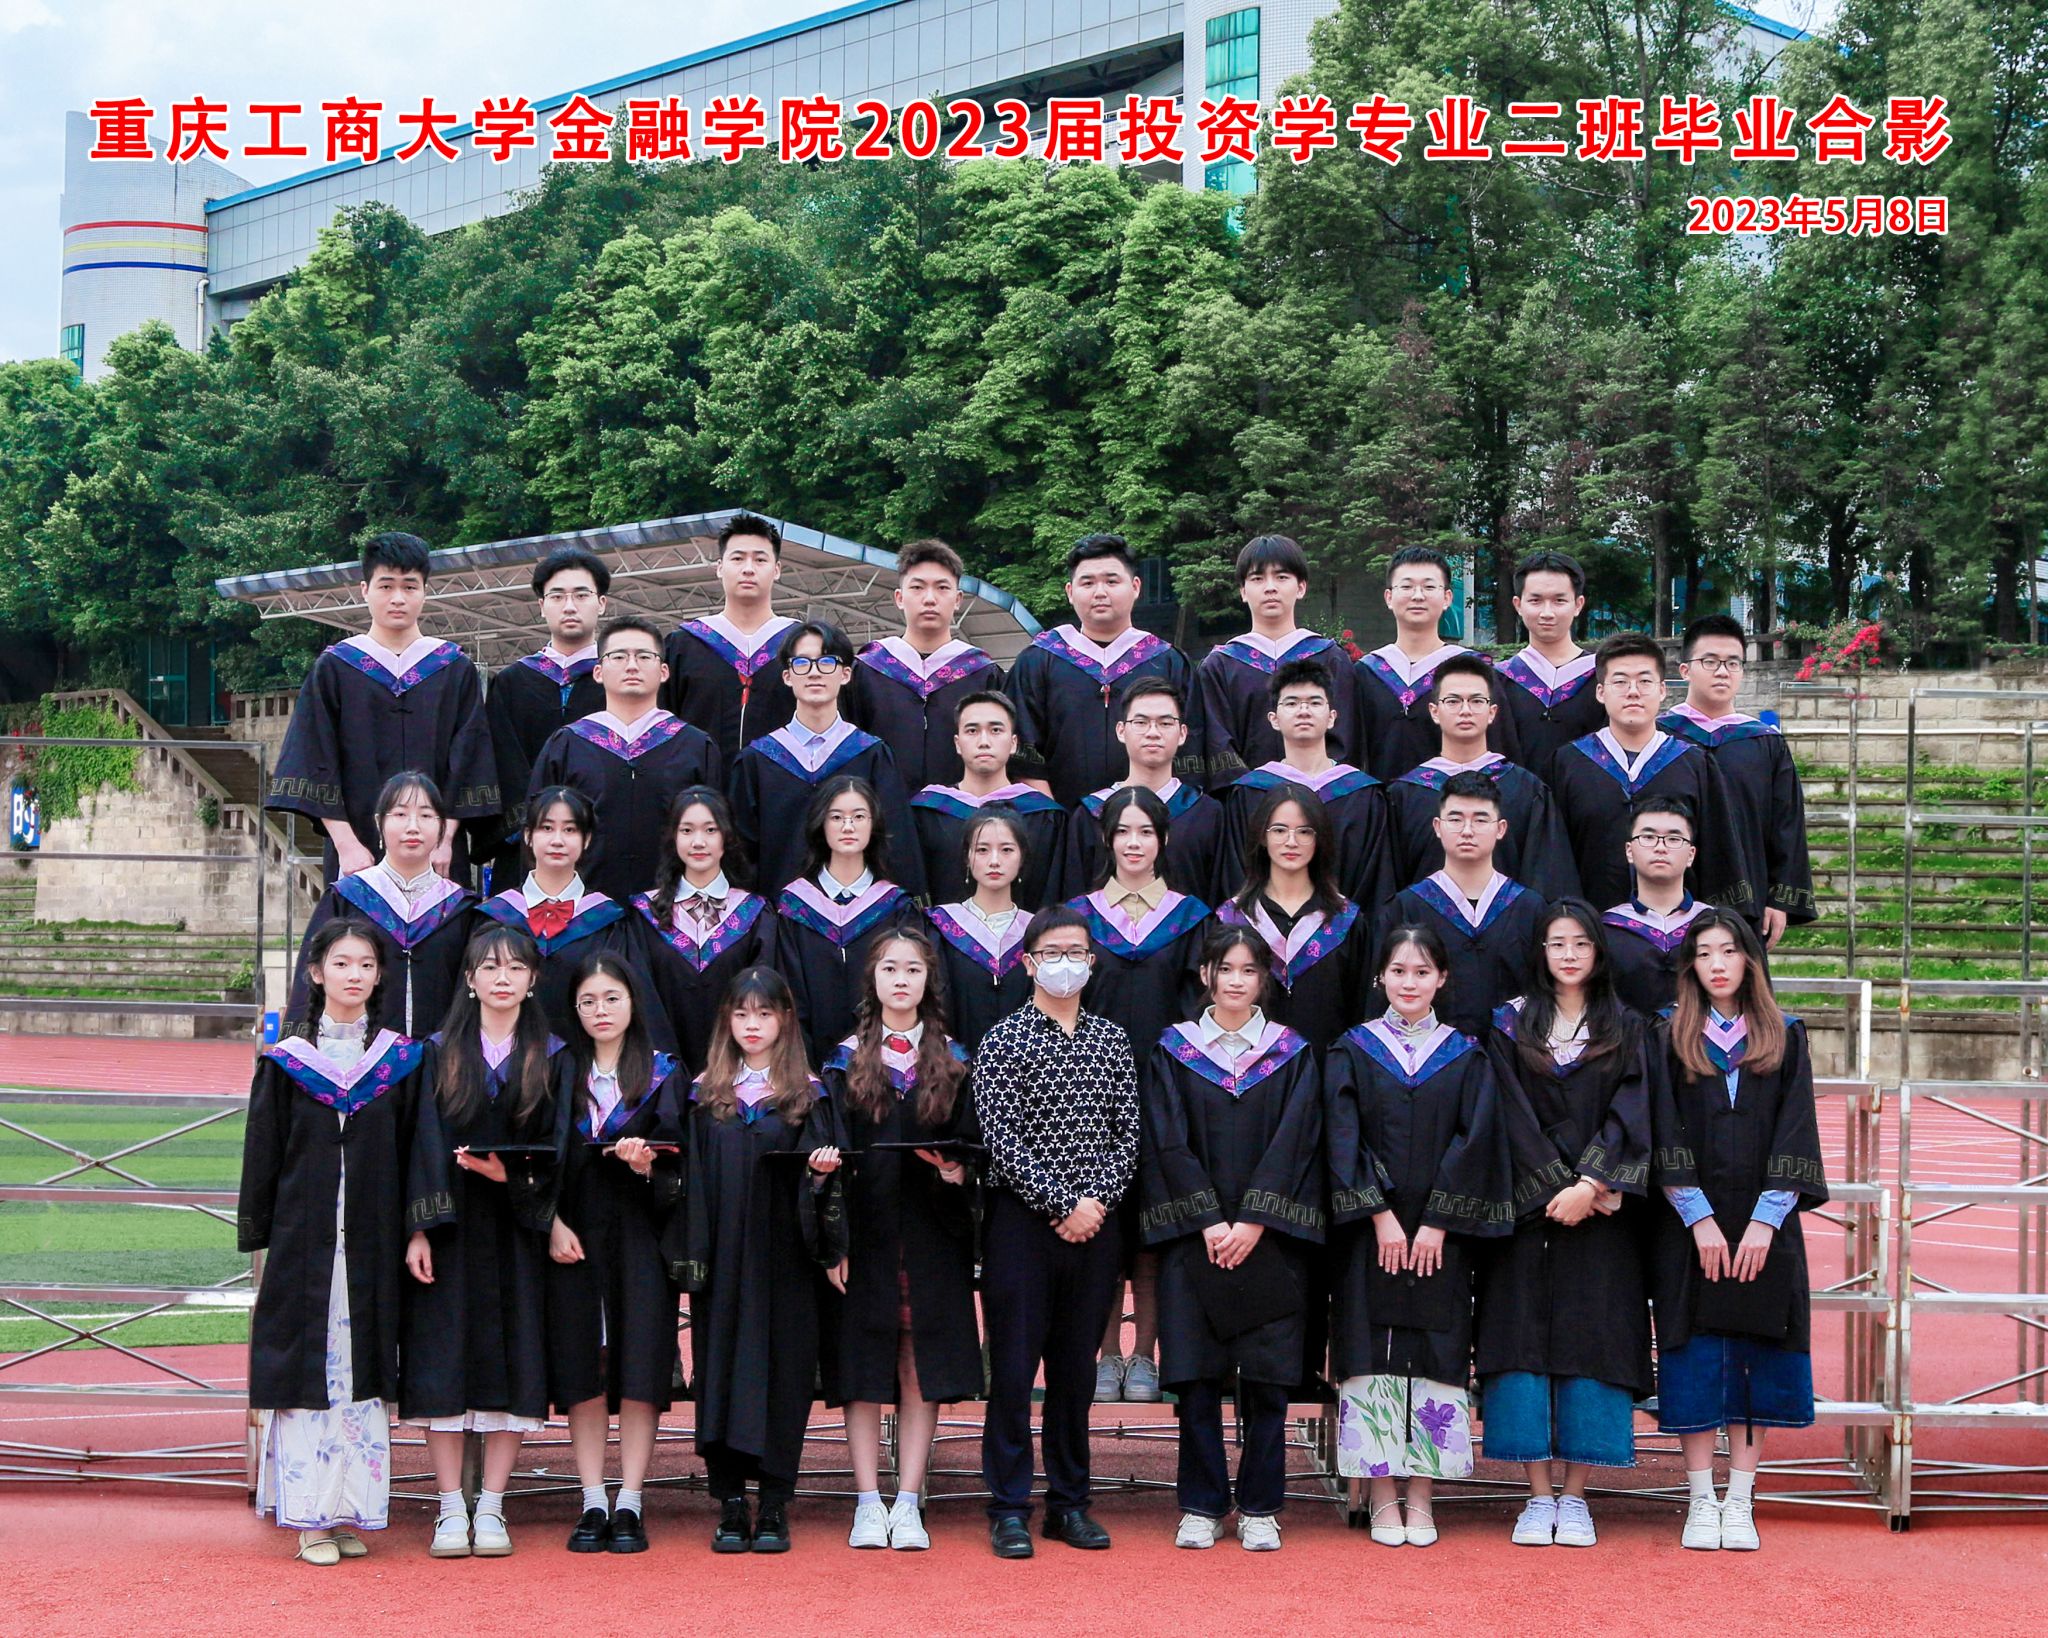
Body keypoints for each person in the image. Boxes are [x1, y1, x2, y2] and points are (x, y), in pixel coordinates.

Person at [241, 917, 428, 1565]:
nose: (355, 975)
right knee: (309, 1369)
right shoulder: (288, 1063)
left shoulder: (400, 1063)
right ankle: (310, 1518)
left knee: (361, 1372)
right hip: (306, 1240)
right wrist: (263, 1230)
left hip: (373, 1239)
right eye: (342, 963)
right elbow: (263, 1154)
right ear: (316, 973)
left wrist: (418, 1227)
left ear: (380, 977)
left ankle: (350, 1511)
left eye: (366, 965)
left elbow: (417, 1151)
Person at [1325, 924, 1512, 1548]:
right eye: (1399, 970)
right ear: (1381, 975)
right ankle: (1382, 1495)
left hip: (1442, 1235)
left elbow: (1475, 1138)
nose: (1410, 982)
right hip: (1368, 1231)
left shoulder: (1465, 1055)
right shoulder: (1352, 1050)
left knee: (1438, 1349)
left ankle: (1424, 1496)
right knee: (1369, 1350)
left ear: (1442, 979)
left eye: (1423, 971)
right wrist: (1379, 1214)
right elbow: (1342, 1136)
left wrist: (1436, 1221)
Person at [1142, 927, 1324, 1553]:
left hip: (1269, 1235)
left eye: (1249, 970)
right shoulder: (1174, 1051)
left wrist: (1252, 1221)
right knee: (1195, 1376)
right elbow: (1166, 1138)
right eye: (1226, 969)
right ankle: (1201, 1503)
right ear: (1206, 975)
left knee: (1269, 1377)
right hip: (1196, 1235)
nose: (1237, 981)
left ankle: (1261, 1505)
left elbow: (1297, 1139)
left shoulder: (1292, 1054)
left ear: (1263, 979)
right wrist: (1209, 1220)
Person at [1477, 903, 1653, 1550]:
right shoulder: (1508, 1023)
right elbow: (1505, 1109)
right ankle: (1536, 1494)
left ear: (1599, 951)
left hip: (1601, 1217)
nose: (1570, 954)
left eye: (1581, 943)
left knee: (1593, 1340)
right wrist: (1559, 1186)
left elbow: (1633, 1108)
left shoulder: (1627, 1026)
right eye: (1557, 943)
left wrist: (1592, 1184)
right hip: (1529, 1212)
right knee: (1521, 1341)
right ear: (1540, 951)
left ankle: (1576, 1496)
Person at [1653, 910, 1827, 1553]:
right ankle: (1701, 1499)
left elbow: (1797, 1128)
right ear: (1690, 966)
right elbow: (1661, 1126)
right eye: (1704, 953)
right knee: (1695, 1355)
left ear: (1751, 959)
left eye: (1729, 951)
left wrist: (1764, 1220)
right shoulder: (1668, 1034)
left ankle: (1741, 1499)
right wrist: (1698, 1218)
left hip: (1766, 1225)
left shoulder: (1785, 1034)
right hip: (1687, 1227)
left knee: (1758, 1351)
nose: (1717, 964)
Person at [977, 906, 1140, 1558]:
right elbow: (1002, 1141)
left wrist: (1093, 1204)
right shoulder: (1003, 1042)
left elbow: (1127, 1136)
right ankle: (1009, 1507)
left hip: (1096, 1229)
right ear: (1028, 962)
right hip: (1023, 1227)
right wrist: (1061, 1203)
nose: (1064, 963)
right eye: (1052, 953)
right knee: (1014, 1373)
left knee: (1075, 1376)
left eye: (1076, 952)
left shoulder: (1112, 1041)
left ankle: (1069, 1504)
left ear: (1092, 963)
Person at [815, 929, 980, 1552]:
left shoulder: (955, 1061)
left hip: (932, 1237)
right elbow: (828, 1161)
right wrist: (835, 1242)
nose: (902, 979)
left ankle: (908, 1500)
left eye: (913, 969)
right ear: (874, 980)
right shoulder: (842, 1063)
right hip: (867, 1235)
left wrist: (958, 1172)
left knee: (918, 1364)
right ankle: (866, 1499)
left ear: (928, 981)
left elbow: (973, 1148)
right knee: (862, 1369)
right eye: (890, 968)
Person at [670, 967, 843, 1555]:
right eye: (742, 1013)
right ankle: (729, 1500)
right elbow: (688, 1181)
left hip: (785, 1262)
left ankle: (772, 1500)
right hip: (721, 1261)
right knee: (720, 1370)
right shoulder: (704, 1096)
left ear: (785, 1020)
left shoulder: (809, 1095)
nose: (752, 1025)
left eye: (764, 1013)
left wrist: (818, 1178)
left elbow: (828, 1187)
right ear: (727, 1019)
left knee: (783, 1373)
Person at [402, 925, 561, 1560]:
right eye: (489, 967)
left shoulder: (552, 1055)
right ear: (469, 980)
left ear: (533, 980)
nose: (502, 978)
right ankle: (449, 1505)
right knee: (444, 1358)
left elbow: (560, 1150)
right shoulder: (436, 1053)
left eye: (515, 967)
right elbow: (421, 1143)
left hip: (518, 1228)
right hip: (452, 1228)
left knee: (514, 1357)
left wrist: (511, 1180)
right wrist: (420, 1227)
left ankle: (492, 1504)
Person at [1067, 785, 1209, 1405]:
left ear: (1163, 839)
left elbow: (1199, 1010)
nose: (1134, 843)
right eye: (1123, 831)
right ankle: (1104, 1356)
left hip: (1163, 1091)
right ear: (1106, 838)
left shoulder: (1190, 917)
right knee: (1101, 1226)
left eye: (1146, 831)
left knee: (1154, 1227)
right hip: (1088, 1093)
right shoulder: (1077, 919)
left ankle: (1145, 1355)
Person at [544, 953, 685, 1556]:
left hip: (640, 1236)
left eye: (612, 998)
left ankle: (630, 1498)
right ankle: (591, 1498)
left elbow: (683, 1167)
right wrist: (550, 1223)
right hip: (574, 1235)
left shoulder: (663, 1072)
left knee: (640, 1364)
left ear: (633, 1002)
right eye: (588, 1001)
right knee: (583, 1365)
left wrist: (649, 1166)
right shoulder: (558, 1070)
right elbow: (540, 1157)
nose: (600, 1011)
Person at [267, 531, 500, 885]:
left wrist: (445, 840)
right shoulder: (336, 668)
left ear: (425, 591)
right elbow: (314, 757)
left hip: (436, 853)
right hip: (357, 849)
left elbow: (471, 759)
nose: (398, 598)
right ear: (365, 590)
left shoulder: (453, 668)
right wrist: (346, 846)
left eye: (410, 586)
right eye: (386, 586)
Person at [1005, 534, 1224, 808]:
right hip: (1059, 822)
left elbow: (1190, 750)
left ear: (1135, 587)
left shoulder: (1168, 662)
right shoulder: (1038, 661)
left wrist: (1155, 821)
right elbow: (1022, 753)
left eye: (1111, 581)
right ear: (1070, 592)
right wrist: (1055, 821)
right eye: (1087, 583)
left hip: (1153, 824)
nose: (1100, 592)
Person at [1551, 632, 1755, 918]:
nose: (1633, 692)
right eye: (1620, 682)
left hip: (1681, 930)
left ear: (1662, 690)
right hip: (1591, 928)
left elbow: (1718, 852)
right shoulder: (1570, 763)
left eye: (1645, 681)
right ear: (1600, 692)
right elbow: (1556, 858)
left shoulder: (1693, 764)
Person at [526, 615, 724, 901]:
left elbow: (718, 834)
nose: (632, 665)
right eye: (618, 656)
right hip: (584, 910)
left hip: (674, 910)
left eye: (644, 656)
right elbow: (538, 828)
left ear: (664, 671)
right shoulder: (568, 745)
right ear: (598, 672)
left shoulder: (695, 746)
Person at [728, 619, 926, 898]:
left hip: (860, 913)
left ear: (845, 674)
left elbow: (896, 845)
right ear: (787, 676)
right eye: (802, 663)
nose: (814, 672)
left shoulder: (871, 755)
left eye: (826, 662)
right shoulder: (758, 761)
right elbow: (741, 854)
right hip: (778, 915)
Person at [1660, 614, 1816, 949]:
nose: (1722, 671)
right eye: (1710, 661)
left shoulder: (1765, 743)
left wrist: (1779, 900)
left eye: (1733, 663)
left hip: (1747, 894)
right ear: (1685, 670)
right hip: (1665, 894)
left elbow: (1786, 824)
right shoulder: (1660, 736)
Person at [290, 772, 475, 1037]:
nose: (413, 827)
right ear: (379, 823)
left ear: (442, 828)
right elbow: (311, 984)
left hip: (441, 1056)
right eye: (400, 814)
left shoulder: (460, 908)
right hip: (359, 1055)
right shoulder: (348, 897)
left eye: (426, 815)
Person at [1384, 652, 1578, 900]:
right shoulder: (1404, 794)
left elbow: (1548, 880)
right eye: (1453, 701)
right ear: (1434, 711)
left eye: (1476, 701)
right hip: (1423, 924)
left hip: (1512, 924)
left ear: (1492, 712)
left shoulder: (1526, 790)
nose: (1465, 710)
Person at [1374, 773, 1546, 1040]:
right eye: (1455, 819)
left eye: (1480, 819)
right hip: (1430, 1059)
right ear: (1437, 826)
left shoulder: (1530, 909)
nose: (1467, 830)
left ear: (1501, 829)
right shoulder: (1406, 908)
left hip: (1515, 1057)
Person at [472, 785, 648, 1043]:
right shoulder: (496, 915)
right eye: (546, 828)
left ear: (586, 840)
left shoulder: (608, 920)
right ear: (528, 836)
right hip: (510, 1054)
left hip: (585, 1054)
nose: (557, 840)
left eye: (570, 830)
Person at [1216, 659, 1392, 909]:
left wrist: (1349, 925)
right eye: (1291, 703)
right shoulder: (1249, 792)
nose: (1303, 711)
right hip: (1264, 928)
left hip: (1346, 929)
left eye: (1315, 702)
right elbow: (1238, 877)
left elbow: (1376, 882)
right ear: (1273, 719)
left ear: (1332, 717)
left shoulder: (1363, 795)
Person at [483, 546, 609, 887]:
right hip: (526, 846)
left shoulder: (619, 680)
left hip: (604, 846)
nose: (569, 606)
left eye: (581, 595)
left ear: (601, 603)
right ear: (541, 606)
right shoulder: (511, 682)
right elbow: (498, 760)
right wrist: (533, 825)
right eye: (557, 596)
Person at [631, 786, 778, 1075]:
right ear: (673, 838)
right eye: (687, 831)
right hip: (662, 1072)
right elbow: (643, 998)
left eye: (710, 830)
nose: (698, 842)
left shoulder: (754, 913)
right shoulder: (644, 914)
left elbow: (763, 996)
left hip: (737, 1072)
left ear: (726, 838)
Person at [1218, 784, 1372, 1055]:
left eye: (1304, 831)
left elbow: (1361, 1010)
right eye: (1279, 830)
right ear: (1262, 837)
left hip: (1329, 1070)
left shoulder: (1346, 922)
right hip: (1250, 1074)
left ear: (1319, 838)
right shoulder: (1233, 920)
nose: (1291, 842)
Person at [775, 775, 918, 1062]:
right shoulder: (795, 907)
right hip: (807, 1062)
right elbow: (789, 994)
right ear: (821, 824)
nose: (848, 826)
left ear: (873, 824)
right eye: (836, 817)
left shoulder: (895, 907)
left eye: (859, 816)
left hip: (883, 1064)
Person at [1350, 546, 1521, 784]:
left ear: (1447, 598)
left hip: (1458, 803)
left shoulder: (1473, 671)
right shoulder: (1366, 672)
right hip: (1380, 803)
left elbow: (1500, 748)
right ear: (1389, 597)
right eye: (1407, 587)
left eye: (1429, 587)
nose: (1418, 596)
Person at [847, 538, 1004, 791]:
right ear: (899, 598)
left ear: (958, 599)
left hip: (963, 810)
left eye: (942, 588)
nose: (930, 599)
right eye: (917, 587)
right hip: (881, 809)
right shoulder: (869, 668)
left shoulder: (982, 672)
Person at [1196, 533, 1361, 773]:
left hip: (1321, 792)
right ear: (1243, 591)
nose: (1270, 587)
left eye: (1282, 577)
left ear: (1301, 587)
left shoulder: (1330, 658)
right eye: (1257, 578)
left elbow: (1345, 741)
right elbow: (1217, 745)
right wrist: (1249, 789)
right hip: (1243, 794)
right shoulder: (1220, 666)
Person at [1058, 678, 1226, 900]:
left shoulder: (1206, 813)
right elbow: (1075, 901)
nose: (1153, 732)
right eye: (1141, 722)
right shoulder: (1091, 815)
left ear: (1183, 733)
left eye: (1165, 723)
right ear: (1121, 731)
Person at [659, 511, 799, 760]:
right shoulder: (683, 645)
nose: (748, 569)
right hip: (699, 781)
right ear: (719, 568)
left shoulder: (802, 646)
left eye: (760, 560)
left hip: (782, 781)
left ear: (777, 570)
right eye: (737, 558)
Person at [910, 690, 1067, 910]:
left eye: (995, 730)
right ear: (957, 743)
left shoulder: (1044, 815)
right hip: (938, 931)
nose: (984, 742)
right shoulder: (926, 811)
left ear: (1013, 743)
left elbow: (1052, 894)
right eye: (972, 731)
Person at [924, 807, 1036, 1051]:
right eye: (982, 850)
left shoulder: (1037, 933)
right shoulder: (939, 926)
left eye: (1007, 850)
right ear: (967, 857)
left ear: (1022, 857)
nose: (994, 861)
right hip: (954, 1063)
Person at [1497, 550, 1605, 785]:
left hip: (1587, 799)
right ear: (1518, 605)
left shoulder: (1603, 677)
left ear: (1578, 605)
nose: (1547, 613)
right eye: (1535, 600)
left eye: (1559, 601)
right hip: (1515, 801)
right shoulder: (1498, 680)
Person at [1602, 796, 1713, 1020]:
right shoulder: (1606, 929)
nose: (1660, 847)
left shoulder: (1715, 925)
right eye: (1648, 837)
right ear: (1629, 851)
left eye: (1674, 839)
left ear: (1691, 855)